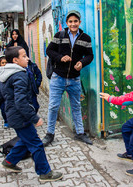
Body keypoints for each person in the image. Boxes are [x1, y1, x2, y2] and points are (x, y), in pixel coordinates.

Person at [0, 46, 63, 182]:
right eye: (24, 56)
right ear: (15, 60)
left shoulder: (5, 74)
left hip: (14, 116)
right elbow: (20, 101)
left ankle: (10, 161)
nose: (27, 58)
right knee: (36, 144)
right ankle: (45, 173)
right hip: (20, 117)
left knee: (24, 140)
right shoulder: (19, 75)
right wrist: (34, 118)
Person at [42, 10, 94, 146]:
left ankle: (80, 133)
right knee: (53, 106)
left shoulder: (86, 38)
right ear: (67, 23)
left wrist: (82, 63)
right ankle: (49, 134)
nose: (73, 24)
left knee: (76, 106)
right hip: (58, 77)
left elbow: (90, 56)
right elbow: (49, 50)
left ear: (79, 22)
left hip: (74, 79)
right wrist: (60, 57)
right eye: (70, 21)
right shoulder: (59, 35)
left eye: (75, 21)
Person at [7, 29, 42, 112]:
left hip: (31, 87)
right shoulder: (9, 45)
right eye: (13, 34)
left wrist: (36, 84)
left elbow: (38, 74)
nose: (15, 36)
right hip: (21, 88)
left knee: (35, 105)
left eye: (16, 34)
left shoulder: (31, 65)